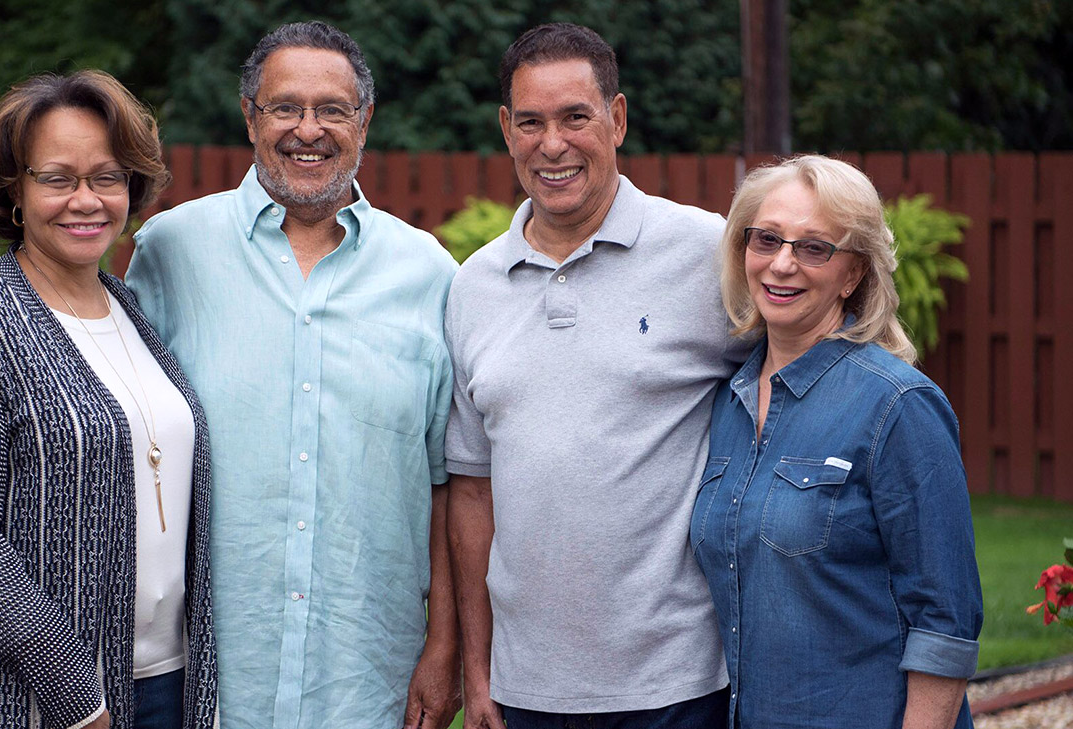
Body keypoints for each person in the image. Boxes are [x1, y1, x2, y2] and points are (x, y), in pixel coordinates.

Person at [124, 21, 461, 729]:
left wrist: (444, 646)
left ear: (364, 123)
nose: (308, 130)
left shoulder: (430, 274)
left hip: (368, 679)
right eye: (285, 107)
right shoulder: (170, 251)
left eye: (332, 110)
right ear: (249, 117)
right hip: (207, 676)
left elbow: (447, 482)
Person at [446, 23, 745, 729]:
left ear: (616, 118)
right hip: (524, 690)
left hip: (678, 683)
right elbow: (470, 490)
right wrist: (478, 670)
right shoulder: (473, 285)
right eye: (531, 122)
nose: (553, 144)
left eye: (575, 117)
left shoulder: (707, 253)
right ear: (505, 129)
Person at [0, 70, 217, 729]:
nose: (87, 199)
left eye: (107, 175)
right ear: (15, 190)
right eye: (57, 178)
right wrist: (81, 701)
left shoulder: (130, 309)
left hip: (165, 683)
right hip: (27, 699)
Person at [692, 154, 984, 728]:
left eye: (814, 247)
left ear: (853, 274)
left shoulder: (897, 405)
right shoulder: (728, 402)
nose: (782, 264)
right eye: (767, 239)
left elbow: (944, 622)